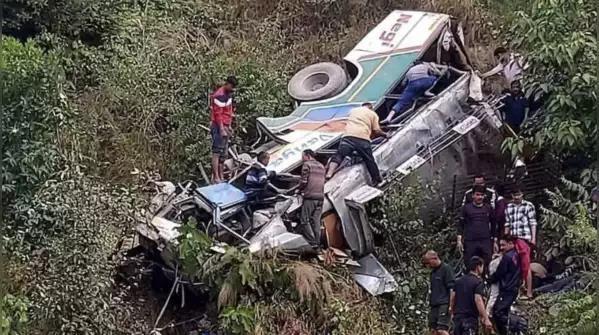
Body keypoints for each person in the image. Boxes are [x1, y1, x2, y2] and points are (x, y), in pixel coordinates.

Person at [325, 102, 387, 185]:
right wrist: (385, 135)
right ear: (371, 107)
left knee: (339, 155)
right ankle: (377, 180)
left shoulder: (353, 111)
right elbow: (376, 130)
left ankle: (329, 173)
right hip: (362, 138)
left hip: (347, 136)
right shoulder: (373, 114)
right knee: (369, 160)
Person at [504, 187, 537, 299]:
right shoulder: (508, 207)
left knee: (525, 265)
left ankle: (529, 292)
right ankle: (517, 290)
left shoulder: (529, 206)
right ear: (512, 196)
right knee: (514, 265)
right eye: (514, 195)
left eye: (518, 194)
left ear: (522, 194)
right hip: (512, 239)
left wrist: (533, 238)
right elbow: (507, 224)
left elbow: (533, 223)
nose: (517, 197)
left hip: (524, 238)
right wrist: (504, 238)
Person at [457, 185, 497, 270]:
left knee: (487, 262)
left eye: (482, 195)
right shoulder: (466, 208)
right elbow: (461, 224)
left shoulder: (488, 208)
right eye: (478, 195)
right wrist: (459, 240)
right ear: (473, 195)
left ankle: (485, 281)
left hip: (485, 240)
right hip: (470, 241)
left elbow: (494, 224)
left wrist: (495, 240)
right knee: (469, 263)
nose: (480, 197)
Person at [451, 256, 493, 335]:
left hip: (458, 318)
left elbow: (453, 297)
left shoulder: (458, 281)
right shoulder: (478, 282)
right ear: (478, 266)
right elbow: (478, 300)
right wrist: (485, 318)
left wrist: (452, 312)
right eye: (482, 266)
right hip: (470, 318)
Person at [489, 235, 522, 335]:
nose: (501, 247)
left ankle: (514, 327)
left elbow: (499, 273)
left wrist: (488, 279)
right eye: (500, 245)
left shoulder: (507, 257)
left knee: (497, 312)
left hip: (507, 289)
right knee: (504, 310)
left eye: (504, 245)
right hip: (514, 287)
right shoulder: (516, 255)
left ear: (511, 244)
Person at [210, 76, 238, 183]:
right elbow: (218, 114)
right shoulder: (219, 95)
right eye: (232, 87)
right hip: (218, 126)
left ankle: (221, 176)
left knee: (223, 153)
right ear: (227, 84)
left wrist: (229, 126)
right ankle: (216, 177)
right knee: (216, 152)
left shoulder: (229, 94)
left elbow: (229, 110)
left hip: (226, 124)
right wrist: (222, 128)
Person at [422, 250, 455, 335]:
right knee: (433, 330)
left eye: (429, 263)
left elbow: (452, 288)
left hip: (444, 303)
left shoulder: (446, 269)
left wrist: (451, 305)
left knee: (442, 330)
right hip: (434, 304)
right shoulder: (433, 273)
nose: (428, 266)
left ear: (434, 258)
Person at [298, 149, 326, 249]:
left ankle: (312, 242)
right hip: (320, 197)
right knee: (316, 221)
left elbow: (304, 181)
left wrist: (298, 190)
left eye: (303, 156)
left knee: (304, 220)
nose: (302, 159)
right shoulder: (322, 166)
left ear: (308, 155)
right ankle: (317, 243)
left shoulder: (307, 165)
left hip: (310, 196)